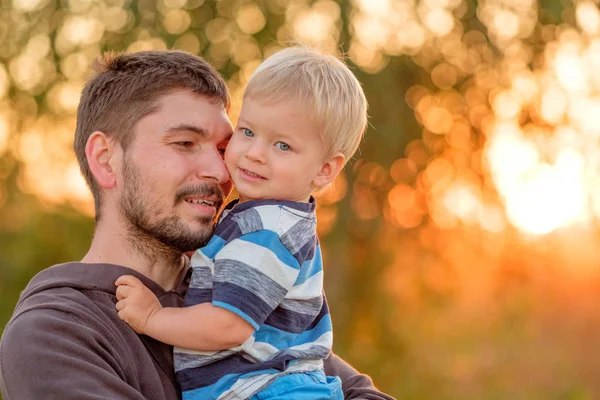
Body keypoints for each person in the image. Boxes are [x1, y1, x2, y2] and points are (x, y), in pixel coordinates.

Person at [0, 49, 393, 400]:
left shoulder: (236, 288)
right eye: (185, 143)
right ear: (105, 158)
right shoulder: (55, 333)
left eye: (223, 147)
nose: (222, 168)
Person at [114, 46, 366, 400]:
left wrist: (152, 318)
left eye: (282, 145)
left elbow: (229, 325)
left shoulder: (267, 231)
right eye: (247, 132)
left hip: (269, 392)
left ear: (325, 170)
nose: (255, 153)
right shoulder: (266, 219)